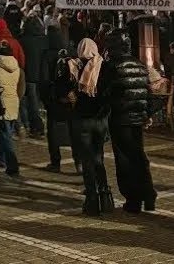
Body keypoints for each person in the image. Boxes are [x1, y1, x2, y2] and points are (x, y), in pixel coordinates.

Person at [99, 32, 156, 213]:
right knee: (138, 155)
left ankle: (133, 199)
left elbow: (104, 92)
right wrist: (147, 113)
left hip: (120, 118)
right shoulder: (139, 64)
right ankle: (149, 194)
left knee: (124, 159)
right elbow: (148, 91)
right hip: (138, 117)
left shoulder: (111, 66)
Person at [67, 38, 113, 215]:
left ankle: (92, 200)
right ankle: (105, 197)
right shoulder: (104, 66)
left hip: (83, 119)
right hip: (99, 119)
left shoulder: (75, 66)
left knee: (87, 160)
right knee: (98, 157)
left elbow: (65, 89)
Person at [0, 40, 24, 178]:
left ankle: (12, 165)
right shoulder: (17, 68)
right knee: (6, 131)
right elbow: (20, 87)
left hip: (1, 104)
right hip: (14, 102)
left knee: (5, 134)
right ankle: (1, 159)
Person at [18, 15, 49, 138]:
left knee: (30, 103)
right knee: (37, 103)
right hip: (42, 76)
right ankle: (38, 127)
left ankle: (34, 127)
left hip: (28, 75)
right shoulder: (44, 40)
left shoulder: (23, 40)